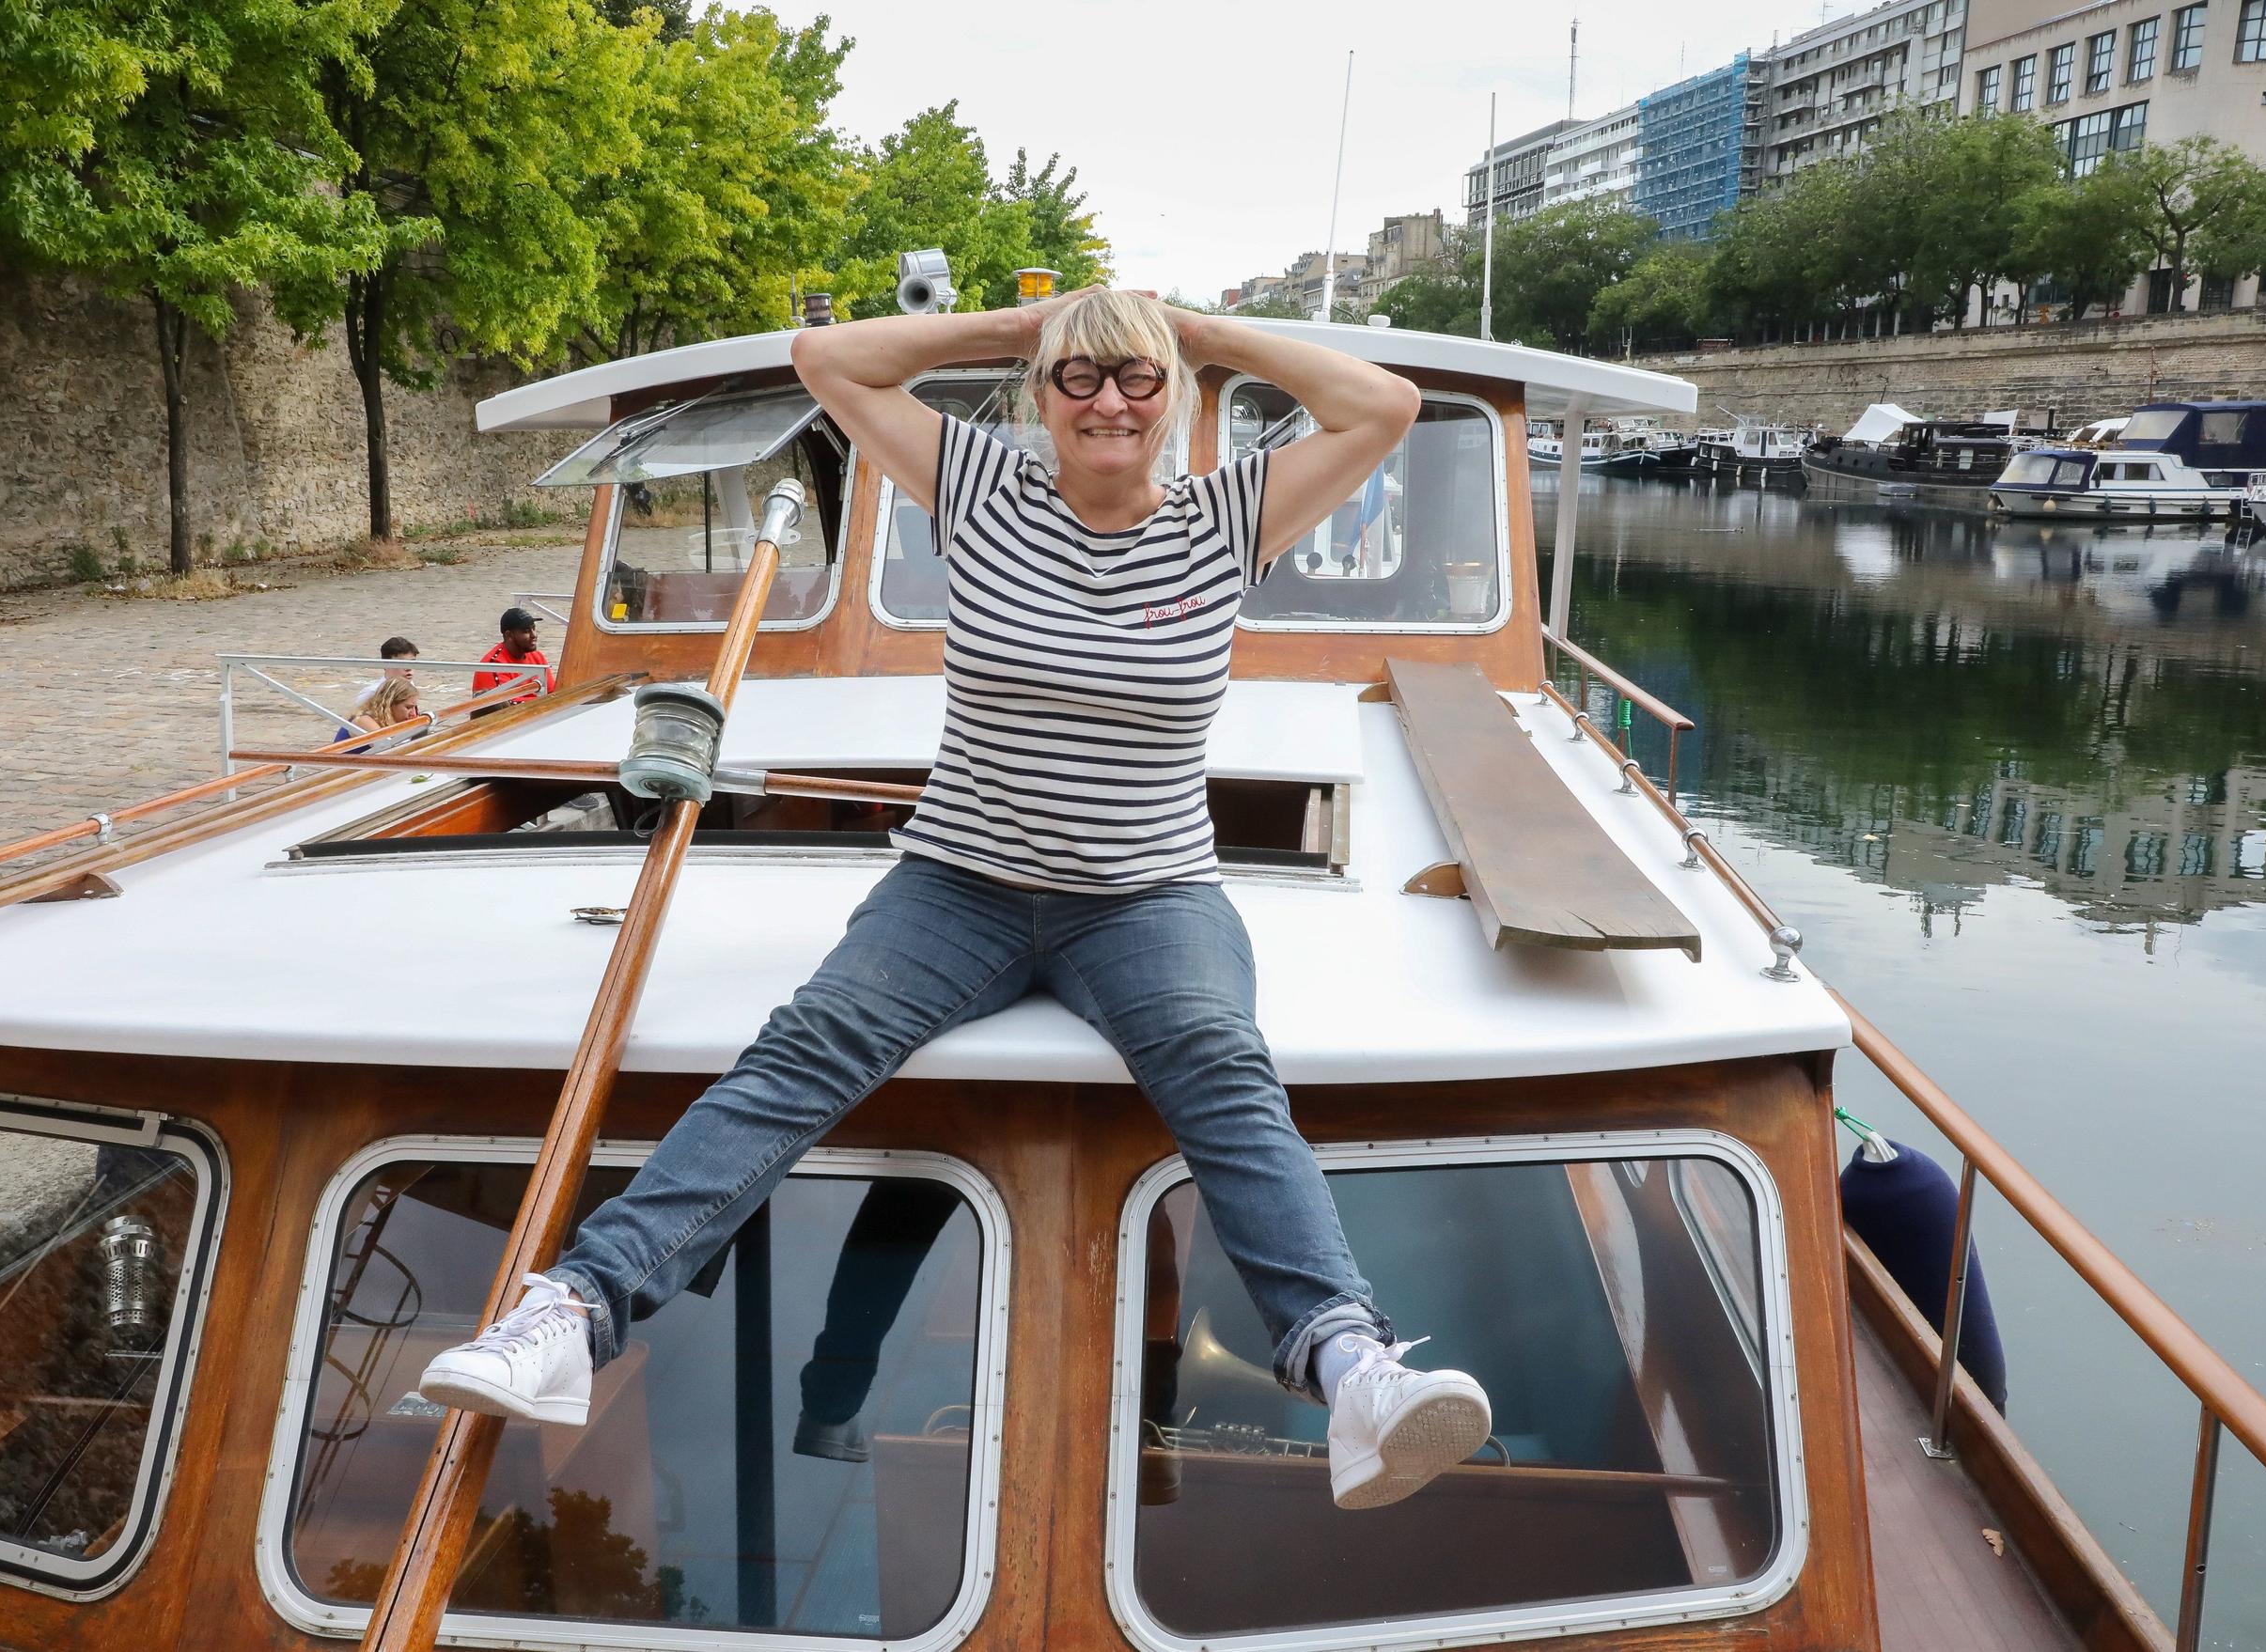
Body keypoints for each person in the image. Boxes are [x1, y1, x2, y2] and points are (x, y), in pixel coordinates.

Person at [418, 289, 1492, 1511]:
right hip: (960, 880)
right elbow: (828, 359)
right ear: (1040, 397)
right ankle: (572, 1310)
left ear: (1175, 400)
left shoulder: (1226, 514)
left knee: (1223, 1069)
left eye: (1137, 381)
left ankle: (1351, 1365)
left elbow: (1385, 406)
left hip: (1146, 892)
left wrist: (1197, 333)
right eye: (1079, 379)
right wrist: (1019, 331)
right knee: (804, 1052)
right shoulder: (983, 489)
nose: (1108, 400)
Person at [334, 636, 419, 743]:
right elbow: (387, 745)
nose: (409, 668)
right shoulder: (372, 694)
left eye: (412, 663)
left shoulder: (409, 686)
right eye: (402, 663)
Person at [472, 609, 548, 715]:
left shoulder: (537, 657)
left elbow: (552, 692)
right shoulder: (493, 666)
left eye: (534, 629)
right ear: (509, 635)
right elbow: (507, 708)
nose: (534, 635)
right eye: (526, 631)